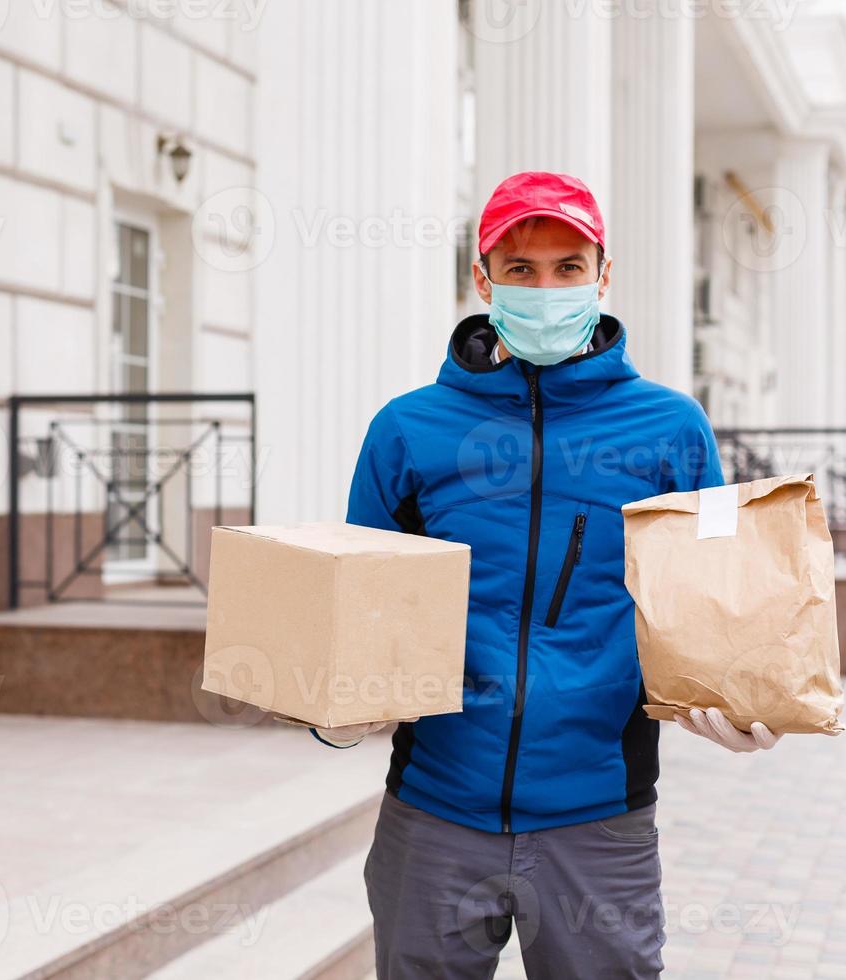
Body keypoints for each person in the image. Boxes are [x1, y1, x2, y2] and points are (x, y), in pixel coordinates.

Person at [308, 172, 781, 979]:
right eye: (520, 269)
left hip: (598, 822)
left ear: (604, 277)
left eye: (568, 266)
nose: (546, 287)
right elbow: (362, 613)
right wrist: (335, 712)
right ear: (482, 279)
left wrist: (747, 700)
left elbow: (716, 607)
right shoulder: (409, 431)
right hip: (433, 814)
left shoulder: (670, 428)